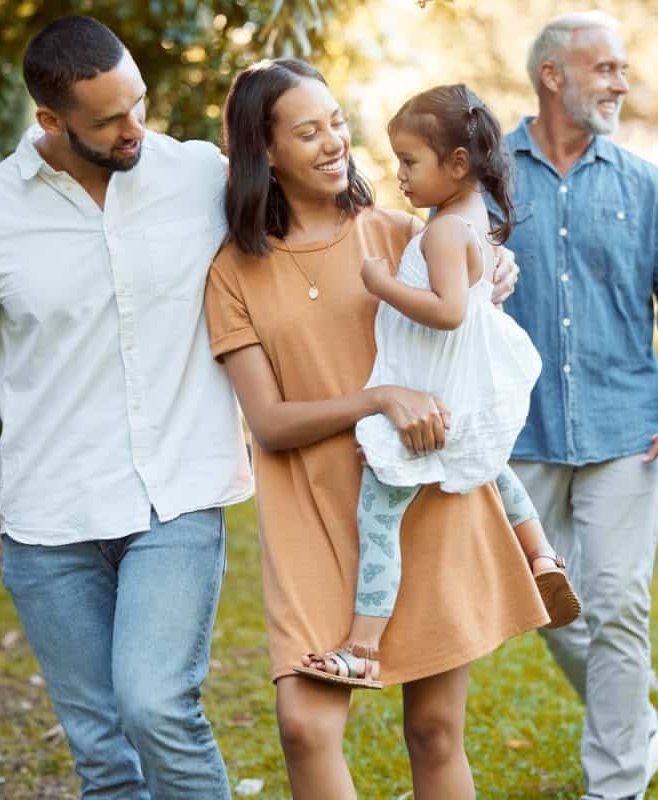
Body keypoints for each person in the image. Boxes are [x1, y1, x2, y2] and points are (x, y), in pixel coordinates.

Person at [0, 16, 251, 799]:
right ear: (50, 121)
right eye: (110, 120)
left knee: (157, 706)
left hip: (178, 497)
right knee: (100, 749)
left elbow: (315, 227)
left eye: (139, 105)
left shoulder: (198, 176)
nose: (136, 129)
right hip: (49, 522)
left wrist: (464, 259)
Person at [206, 58, 547, 799]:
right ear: (264, 151)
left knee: (433, 731)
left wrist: (496, 274)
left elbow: (469, 316)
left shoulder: (400, 234)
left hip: (419, 495)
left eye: (336, 123)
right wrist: (378, 397)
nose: (334, 143)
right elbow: (265, 421)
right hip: (311, 511)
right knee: (305, 727)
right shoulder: (232, 272)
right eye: (308, 131)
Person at [291, 84, 581, 690]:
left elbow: (448, 310)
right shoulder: (472, 218)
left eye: (410, 162)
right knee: (494, 468)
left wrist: (380, 282)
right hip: (467, 387)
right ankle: (543, 556)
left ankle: (363, 648)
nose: (398, 175)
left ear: (457, 164)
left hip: (432, 393)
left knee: (378, 517)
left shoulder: (444, 231)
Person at [499, 12, 658, 800]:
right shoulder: (486, 177)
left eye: (623, 71)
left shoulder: (646, 186)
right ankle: (637, 726)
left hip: (626, 429)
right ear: (553, 76)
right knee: (551, 603)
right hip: (521, 432)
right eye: (606, 70)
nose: (621, 85)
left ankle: (616, 783)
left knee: (620, 603)